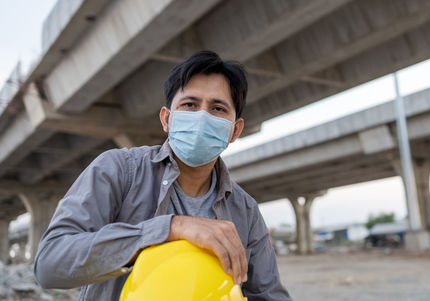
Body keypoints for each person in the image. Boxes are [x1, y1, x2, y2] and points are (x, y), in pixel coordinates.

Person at [34, 51, 291, 301]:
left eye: (217, 108)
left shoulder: (245, 211)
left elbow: (267, 294)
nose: (202, 116)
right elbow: (49, 263)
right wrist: (171, 228)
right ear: (167, 119)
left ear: (235, 130)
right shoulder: (119, 170)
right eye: (190, 105)